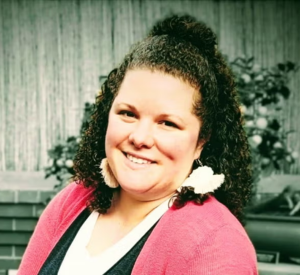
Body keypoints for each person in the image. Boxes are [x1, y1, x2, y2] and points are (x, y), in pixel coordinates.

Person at [18, 14, 258, 274]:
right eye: (128, 114)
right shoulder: (74, 200)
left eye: (167, 123)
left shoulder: (215, 245)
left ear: (201, 141)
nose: (140, 138)